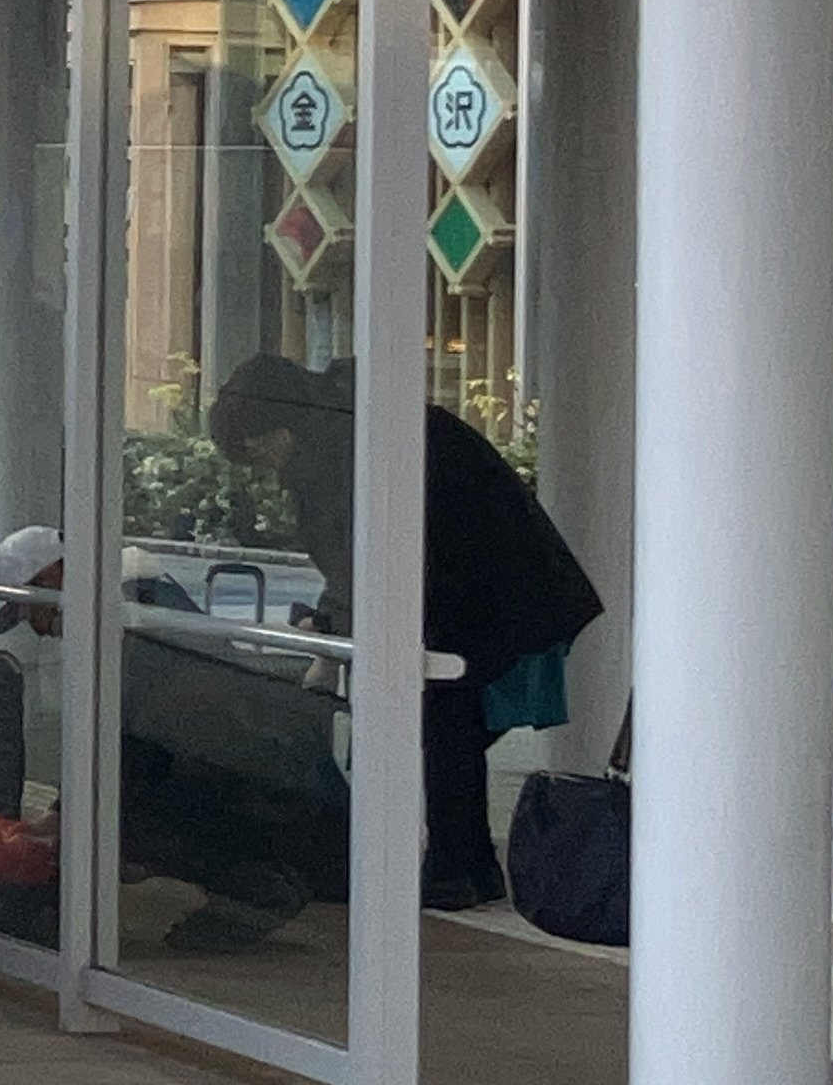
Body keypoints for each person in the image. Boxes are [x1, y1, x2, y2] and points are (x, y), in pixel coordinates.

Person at [209, 353, 603, 912]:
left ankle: (451, 870)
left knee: (443, 724)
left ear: (278, 430)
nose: (261, 466)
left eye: (253, 450)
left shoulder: (341, 454)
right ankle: (467, 865)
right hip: (497, 590)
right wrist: (329, 622)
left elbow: (361, 559)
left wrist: (329, 639)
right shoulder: (363, 424)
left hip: (470, 598)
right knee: (450, 727)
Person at [0, 525, 326, 952]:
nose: (36, 629)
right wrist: (63, 811)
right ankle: (262, 882)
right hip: (251, 773)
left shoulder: (127, 621)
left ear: (52, 577)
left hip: (242, 782)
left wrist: (70, 822)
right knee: (113, 812)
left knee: (121, 822)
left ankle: (259, 890)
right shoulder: (139, 598)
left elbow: (130, 742)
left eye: (27, 611)